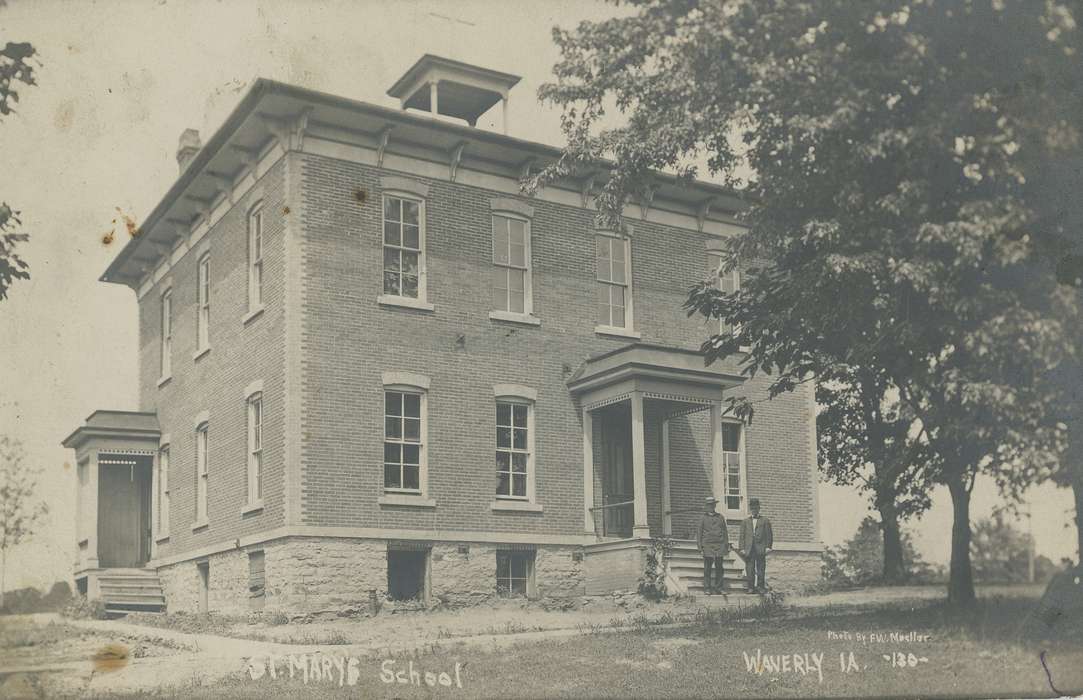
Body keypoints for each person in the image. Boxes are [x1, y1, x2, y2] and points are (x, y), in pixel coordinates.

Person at [738, 498, 773, 593]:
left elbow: (769, 535)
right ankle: (751, 587)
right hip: (749, 549)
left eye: (756, 508)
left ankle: (760, 587)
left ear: (759, 508)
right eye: (752, 508)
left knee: (761, 568)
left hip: (760, 548)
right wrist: (741, 548)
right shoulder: (745, 522)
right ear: (750, 509)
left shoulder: (765, 520)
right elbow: (742, 536)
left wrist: (768, 547)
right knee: (750, 568)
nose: (754, 510)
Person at [696, 496, 729, 595]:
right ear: (706, 506)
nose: (711, 507)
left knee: (719, 567)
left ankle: (719, 587)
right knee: (707, 568)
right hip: (707, 546)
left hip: (719, 545)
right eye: (709, 505)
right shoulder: (703, 518)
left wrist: (725, 546)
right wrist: (700, 547)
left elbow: (725, 532)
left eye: (712, 505)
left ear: (715, 505)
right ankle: (707, 588)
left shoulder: (720, 517)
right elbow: (699, 533)